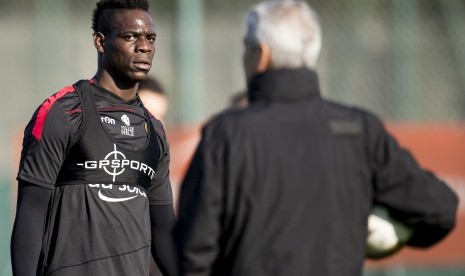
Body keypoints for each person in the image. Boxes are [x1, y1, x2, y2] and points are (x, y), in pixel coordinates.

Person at [174, 1, 458, 276]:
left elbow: (193, 250)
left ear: (262, 54)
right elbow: (440, 208)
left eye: (245, 49)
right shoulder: (359, 130)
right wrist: (389, 234)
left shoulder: (225, 134)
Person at [10, 0, 177, 275]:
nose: (144, 46)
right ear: (100, 42)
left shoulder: (155, 131)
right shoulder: (63, 112)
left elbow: (165, 232)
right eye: (130, 36)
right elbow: (31, 212)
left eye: (150, 38)